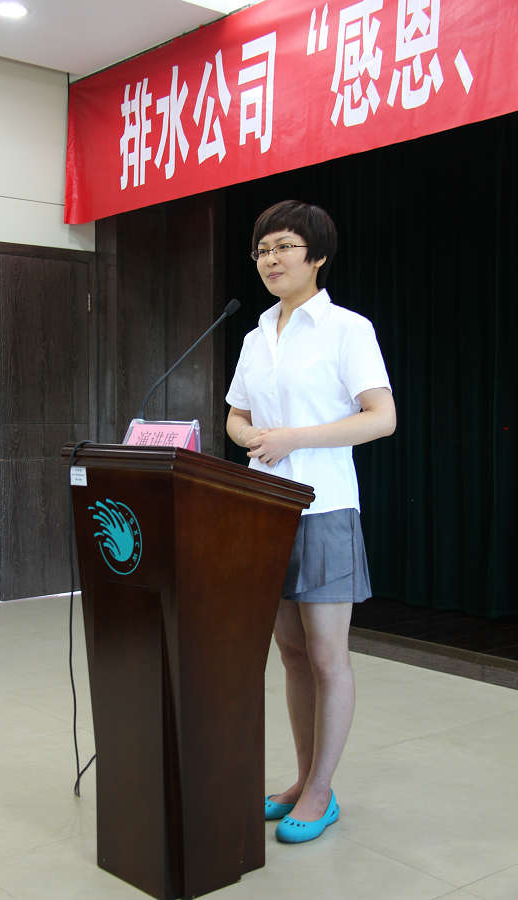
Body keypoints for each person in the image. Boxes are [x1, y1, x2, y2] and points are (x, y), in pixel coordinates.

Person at [225, 200, 396, 844]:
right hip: (265, 508)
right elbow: (236, 415)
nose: (270, 260)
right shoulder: (255, 335)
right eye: (262, 250)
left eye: (284, 247)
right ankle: (301, 779)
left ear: (317, 256)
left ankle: (322, 790)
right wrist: (249, 435)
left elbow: (381, 417)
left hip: (324, 507)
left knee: (327, 655)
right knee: (291, 653)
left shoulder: (347, 329)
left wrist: (293, 437)